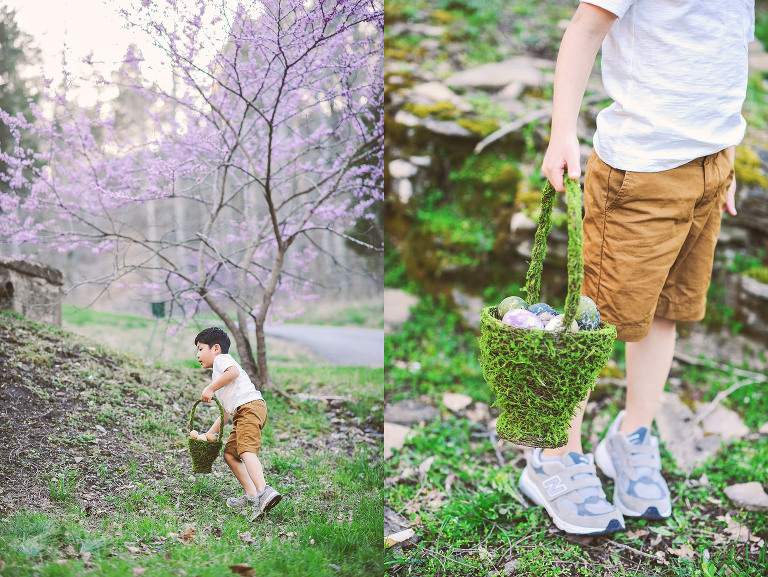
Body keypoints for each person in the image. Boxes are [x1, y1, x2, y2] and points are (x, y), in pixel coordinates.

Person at [519, 0, 753, 535]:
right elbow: (583, 30)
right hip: (640, 174)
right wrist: (562, 134)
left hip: (710, 168)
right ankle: (552, 456)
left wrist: (724, 156)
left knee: (666, 311)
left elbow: (722, 56)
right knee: (594, 324)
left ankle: (632, 436)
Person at [195, 326, 282, 520]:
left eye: (200, 349)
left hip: (249, 407)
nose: (197, 354)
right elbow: (225, 412)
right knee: (230, 454)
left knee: (245, 450)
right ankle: (252, 496)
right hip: (243, 411)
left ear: (215, 348)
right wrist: (209, 434)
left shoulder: (222, 360)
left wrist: (210, 388)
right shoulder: (219, 377)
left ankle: (263, 491)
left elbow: (233, 372)